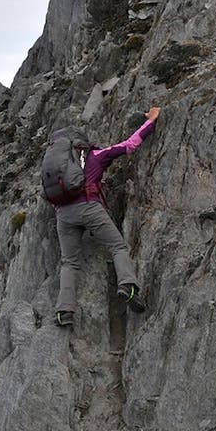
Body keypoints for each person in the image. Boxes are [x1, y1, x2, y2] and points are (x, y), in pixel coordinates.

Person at [47, 107, 161, 328]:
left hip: (63, 215)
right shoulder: (95, 156)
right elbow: (129, 145)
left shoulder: (57, 165)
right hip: (89, 208)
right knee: (118, 246)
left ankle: (64, 312)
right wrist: (151, 122)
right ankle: (127, 286)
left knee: (69, 262)